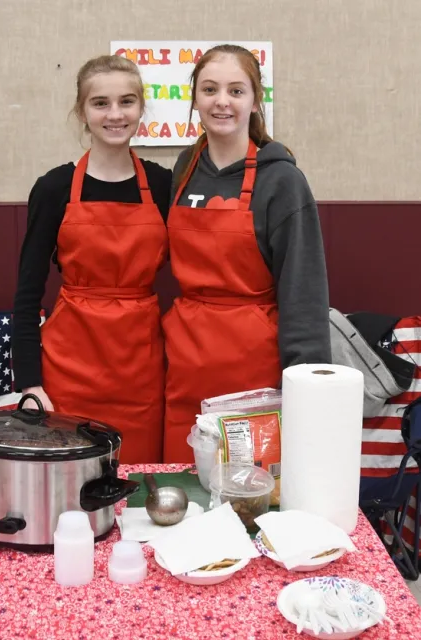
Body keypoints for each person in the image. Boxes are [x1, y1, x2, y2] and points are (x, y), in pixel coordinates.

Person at [163, 44, 331, 462]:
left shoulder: (283, 181)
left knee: (250, 488)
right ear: (195, 98)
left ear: (255, 101)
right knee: (183, 483)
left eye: (236, 91)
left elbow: (303, 293)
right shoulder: (184, 168)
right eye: (210, 89)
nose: (222, 101)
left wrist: (306, 389)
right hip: (185, 364)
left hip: (254, 372)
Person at [12, 55, 171, 464]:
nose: (115, 114)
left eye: (126, 101)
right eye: (100, 103)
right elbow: (27, 295)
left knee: (138, 482)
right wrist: (29, 383)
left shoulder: (163, 184)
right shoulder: (54, 187)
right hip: (69, 371)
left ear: (141, 108)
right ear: (82, 112)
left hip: (141, 373)